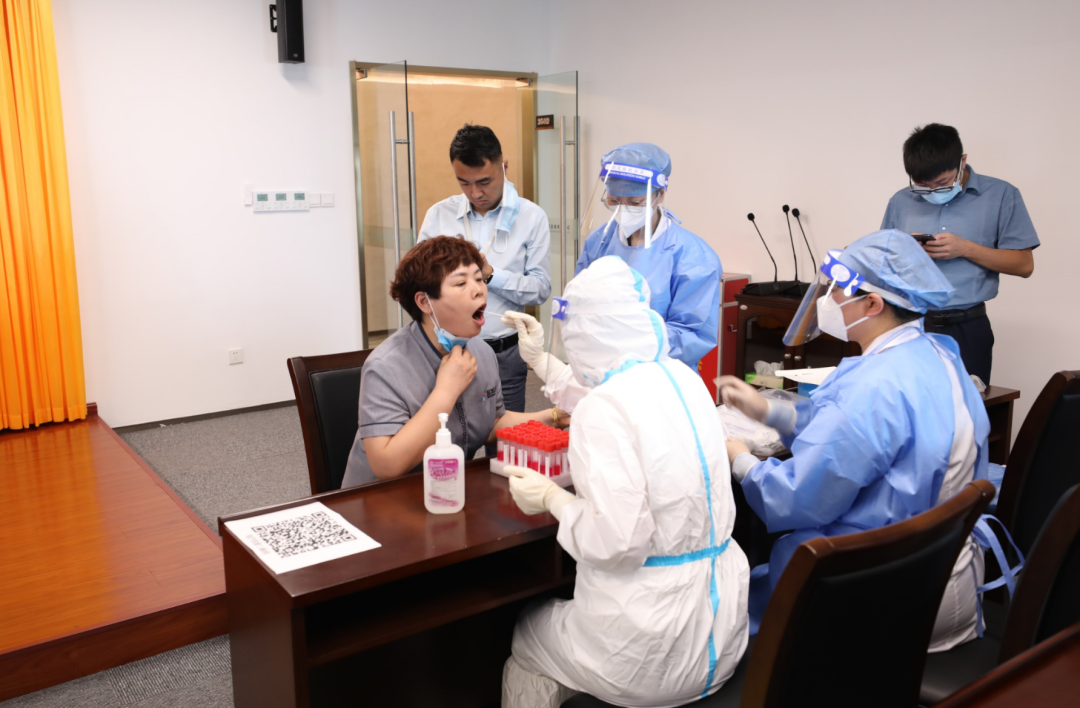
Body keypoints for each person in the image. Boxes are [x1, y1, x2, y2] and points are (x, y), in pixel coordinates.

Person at [717, 229, 990, 653]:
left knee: (735, 594)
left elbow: (795, 496)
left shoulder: (874, 385)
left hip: (886, 598)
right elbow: (848, 430)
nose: (828, 301)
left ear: (873, 304)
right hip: (948, 576)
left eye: (837, 291)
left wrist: (740, 458)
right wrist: (768, 411)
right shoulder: (937, 352)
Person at [501, 256, 749, 708]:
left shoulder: (604, 408)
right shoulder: (686, 379)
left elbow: (616, 543)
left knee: (525, 633)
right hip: (721, 633)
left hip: (645, 648)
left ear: (584, 333)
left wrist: (554, 500)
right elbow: (614, 394)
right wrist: (540, 360)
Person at [340, 237, 566, 488]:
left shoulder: (482, 351)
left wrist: (555, 416)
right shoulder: (386, 366)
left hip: (447, 489)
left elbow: (492, 424)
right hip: (382, 498)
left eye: (479, 279)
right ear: (424, 302)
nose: (479, 289)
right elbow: (387, 466)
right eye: (461, 283)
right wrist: (446, 391)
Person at [880, 123, 1039, 384]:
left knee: (966, 405)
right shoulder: (900, 201)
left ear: (962, 161)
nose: (933, 192)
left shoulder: (1001, 195)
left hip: (967, 328)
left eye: (942, 183)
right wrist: (905, 252)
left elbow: (1024, 265)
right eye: (923, 185)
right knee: (905, 404)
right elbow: (883, 262)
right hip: (909, 324)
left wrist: (966, 248)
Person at [417, 124, 551, 412]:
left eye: (484, 182)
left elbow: (540, 289)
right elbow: (420, 283)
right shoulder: (439, 215)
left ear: (504, 166)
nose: (475, 192)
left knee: (505, 435)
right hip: (448, 350)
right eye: (464, 183)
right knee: (446, 431)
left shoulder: (531, 217)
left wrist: (490, 276)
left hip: (505, 352)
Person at [574, 142, 722, 371]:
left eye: (635, 203)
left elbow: (691, 334)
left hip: (661, 374)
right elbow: (581, 301)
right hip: (601, 370)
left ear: (660, 195)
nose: (623, 209)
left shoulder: (693, 257)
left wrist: (628, 347)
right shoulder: (599, 242)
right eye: (614, 201)